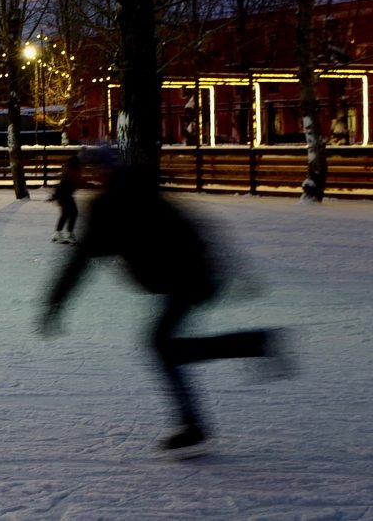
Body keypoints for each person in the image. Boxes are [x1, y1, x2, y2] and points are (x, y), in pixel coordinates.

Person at [36, 151, 290, 451]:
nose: (92, 174)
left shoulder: (112, 205)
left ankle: (201, 412)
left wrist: (56, 302)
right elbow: (198, 229)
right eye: (91, 168)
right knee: (165, 347)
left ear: (109, 170)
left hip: (187, 279)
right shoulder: (137, 193)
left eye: (97, 168)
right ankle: (245, 351)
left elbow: (81, 260)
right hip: (189, 278)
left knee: (161, 345)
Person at [48, 155, 82, 243]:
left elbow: (62, 184)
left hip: (65, 195)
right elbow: (62, 185)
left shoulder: (70, 171)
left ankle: (58, 234)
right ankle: (68, 234)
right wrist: (55, 196)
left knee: (66, 213)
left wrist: (55, 196)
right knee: (73, 212)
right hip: (65, 196)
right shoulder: (71, 171)